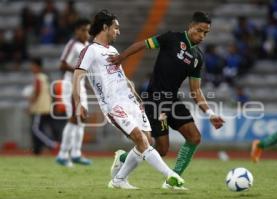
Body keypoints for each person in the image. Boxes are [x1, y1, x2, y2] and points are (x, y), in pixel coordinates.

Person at [108, 11, 225, 189]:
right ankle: (122, 158)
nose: (202, 36)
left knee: (194, 137)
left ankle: (173, 181)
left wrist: (210, 113)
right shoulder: (171, 38)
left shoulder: (198, 57)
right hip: (154, 99)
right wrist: (121, 57)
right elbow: (142, 44)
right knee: (161, 149)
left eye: (205, 33)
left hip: (173, 100)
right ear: (191, 26)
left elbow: (196, 90)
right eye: (199, 30)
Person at [73, 10, 184, 189]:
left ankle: (118, 179)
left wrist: (136, 96)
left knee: (148, 139)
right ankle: (170, 176)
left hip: (129, 100)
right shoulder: (90, 51)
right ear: (105, 27)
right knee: (140, 139)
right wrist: (78, 103)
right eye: (116, 28)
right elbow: (77, 76)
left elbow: (122, 76)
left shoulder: (113, 50)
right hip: (112, 104)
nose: (118, 31)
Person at [56, 18, 92, 167]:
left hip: (80, 85)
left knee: (82, 118)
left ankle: (76, 153)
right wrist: (78, 71)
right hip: (70, 85)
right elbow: (62, 65)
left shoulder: (88, 46)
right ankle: (63, 155)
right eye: (83, 30)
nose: (86, 33)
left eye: (88, 30)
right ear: (76, 30)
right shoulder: (72, 45)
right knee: (73, 118)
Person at [28, 58, 59, 154]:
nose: (31, 68)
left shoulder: (38, 78)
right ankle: (37, 150)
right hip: (48, 107)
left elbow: (37, 92)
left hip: (40, 108)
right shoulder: (46, 77)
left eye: (32, 66)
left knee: (35, 129)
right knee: (43, 128)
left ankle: (52, 144)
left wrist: (31, 102)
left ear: (37, 67)